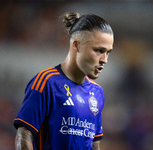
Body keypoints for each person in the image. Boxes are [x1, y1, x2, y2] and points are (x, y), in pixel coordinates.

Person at [13, 12, 114, 150]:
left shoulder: (97, 92)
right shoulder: (46, 82)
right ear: (76, 45)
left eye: (108, 52)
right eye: (99, 50)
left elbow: (94, 145)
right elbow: (24, 133)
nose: (104, 60)